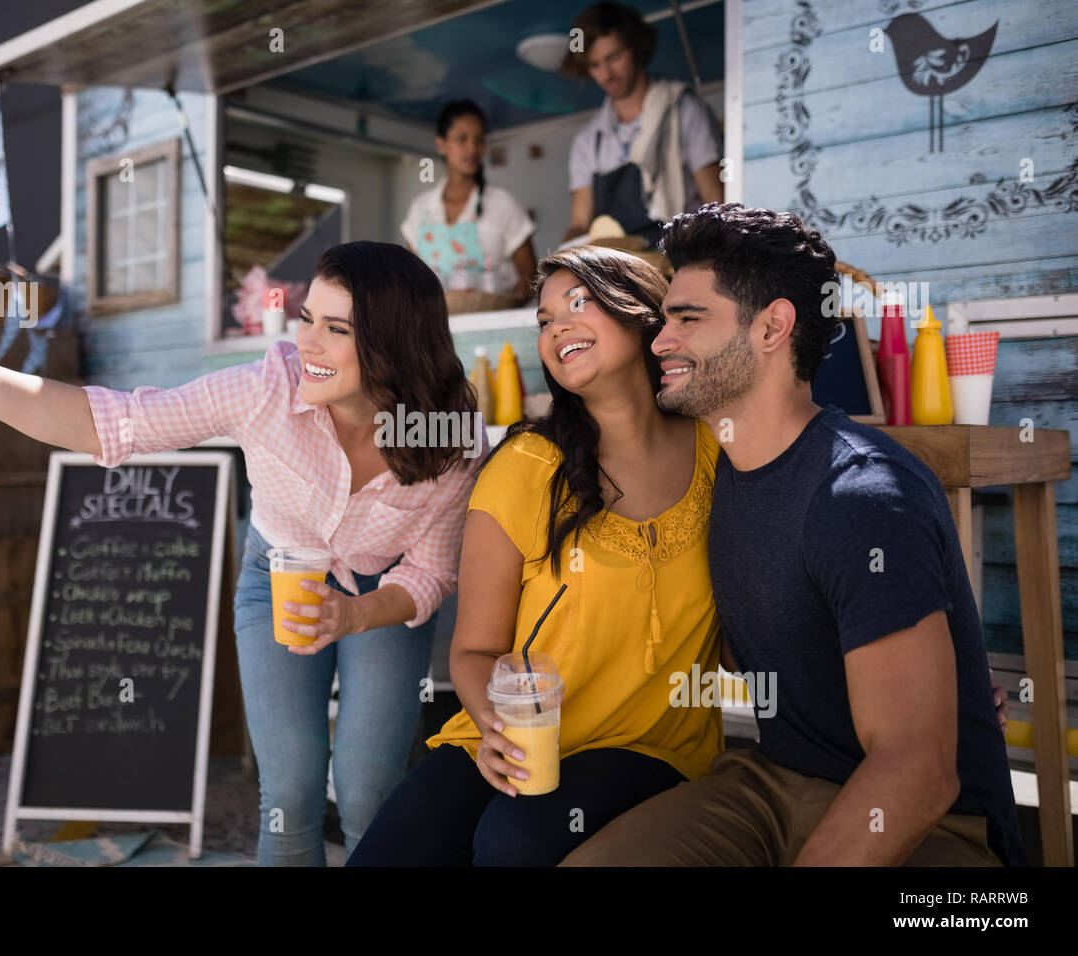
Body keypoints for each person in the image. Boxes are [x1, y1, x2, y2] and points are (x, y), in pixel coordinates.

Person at [0, 241, 486, 866]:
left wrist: (357, 614)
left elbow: (430, 571)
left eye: (335, 329)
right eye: (307, 317)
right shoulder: (265, 390)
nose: (305, 343)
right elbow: (115, 423)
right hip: (276, 575)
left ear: (396, 343)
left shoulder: (449, 441)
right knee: (288, 797)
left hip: (381, 595)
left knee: (370, 794)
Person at [562, 204, 1028, 866]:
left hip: (936, 825)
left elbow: (919, 770)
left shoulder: (862, 495)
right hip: (769, 782)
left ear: (773, 327)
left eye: (687, 319)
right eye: (666, 319)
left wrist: (935, 686)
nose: (661, 340)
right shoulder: (715, 468)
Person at [347, 245, 724, 866]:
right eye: (544, 320)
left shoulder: (719, 450)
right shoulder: (525, 469)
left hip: (649, 743)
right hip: (512, 731)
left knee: (513, 842)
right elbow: (473, 651)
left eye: (578, 303)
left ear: (642, 313)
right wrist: (494, 729)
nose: (557, 328)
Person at [561, 2, 724, 245]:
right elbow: (579, 223)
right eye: (595, 65)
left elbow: (716, 201)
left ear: (636, 47)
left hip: (683, 258)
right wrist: (566, 252)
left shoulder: (683, 110)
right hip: (621, 273)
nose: (607, 74)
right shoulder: (588, 142)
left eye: (614, 57)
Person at [402, 99, 538, 302]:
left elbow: (532, 276)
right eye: (462, 139)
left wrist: (510, 300)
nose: (472, 148)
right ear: (441, 144)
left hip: (490, 325)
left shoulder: (502, 204)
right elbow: (407, 276)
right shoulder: (420, 208)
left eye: (479, 140)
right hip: (429, 326)